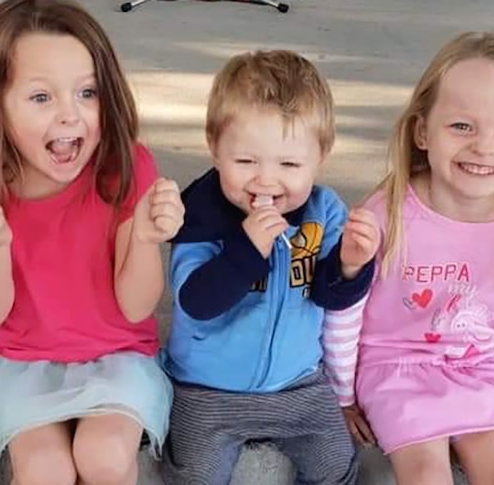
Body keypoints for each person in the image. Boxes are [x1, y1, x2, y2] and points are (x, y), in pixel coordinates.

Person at [0, 2, 184, 484]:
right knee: (44, 468)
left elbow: (136, 308)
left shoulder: (127, 168)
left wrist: (147, 239)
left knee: (106, 454)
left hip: (118, 356)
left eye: (87, 92)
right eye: (41, 97)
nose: (70, 115)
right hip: (27, 362)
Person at [323, 32, 494, 485]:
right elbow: (345, 311)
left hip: (481, 360)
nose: (484, 146)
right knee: (425, 476)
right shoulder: (387, 213)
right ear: (422, 131)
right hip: (394, 365)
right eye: (462, 125)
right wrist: (342, 395)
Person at [160, 49, 379, 485]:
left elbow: (328, 295)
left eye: (290, 165)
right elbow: (197, 301)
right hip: (208, 390)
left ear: (321, 156)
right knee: (195, 475)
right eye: (245, 162)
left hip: (297, 385)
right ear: (214, 148)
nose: (265, 180)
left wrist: (352, 266)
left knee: (337, 465)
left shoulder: (324, 211)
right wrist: (246, 247)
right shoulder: (200, 213)